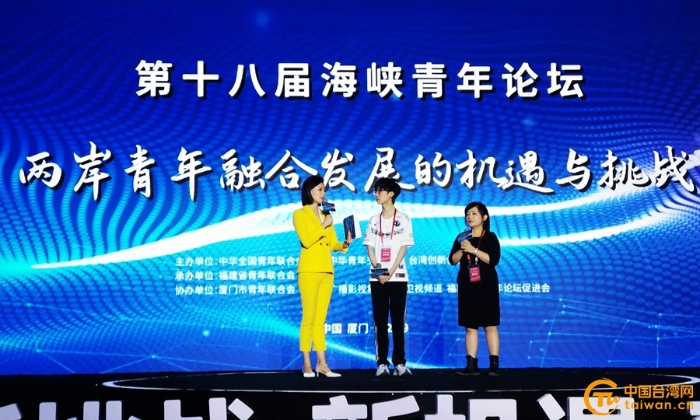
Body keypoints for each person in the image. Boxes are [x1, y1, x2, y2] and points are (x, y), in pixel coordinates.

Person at [293, 175, 353, 378]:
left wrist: (345, 244)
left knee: (320, 320)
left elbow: (332, 244)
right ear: (309, 191)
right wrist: (324, 225)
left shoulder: (326, 215)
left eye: (324, 189)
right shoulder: (299, 214)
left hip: (327, 271)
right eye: (320, 189)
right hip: (309, 270)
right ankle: (306, 364)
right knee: (308, 319)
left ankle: (322, 364)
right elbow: (307, 240)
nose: (323, 193)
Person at [363, 178, 414, 377]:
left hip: (398, 276)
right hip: (377, 279)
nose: (377, 194)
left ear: (391, 194)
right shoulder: (373, 220)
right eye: (376, 191)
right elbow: (369, 247)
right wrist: (379, 271)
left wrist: (391, 271)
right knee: (380, 321)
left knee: (398, 321)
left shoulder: (404, 218)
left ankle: (400, 363)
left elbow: (404, 247)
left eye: (380, 191)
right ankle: (382, 363)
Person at [449, 201, 501, 376]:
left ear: (484, 217)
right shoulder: (462, 237)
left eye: (473, 213)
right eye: (467, 214)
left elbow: (493, 259)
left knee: (490, 325)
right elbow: (452, 260)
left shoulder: (490, 237)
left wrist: (474, 250)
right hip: (467, 285)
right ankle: (471, 365)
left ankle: (494, 364)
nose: (469, 217)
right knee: (470, 327)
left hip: (487, 286)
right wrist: (463, 250)